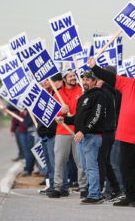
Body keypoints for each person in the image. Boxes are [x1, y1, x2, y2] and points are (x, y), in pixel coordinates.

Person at [88, 58, 135, 207]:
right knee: (127, 169)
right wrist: (94, 67)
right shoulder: (128, 83)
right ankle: (130, 196)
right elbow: (109, 77)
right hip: (126, 136)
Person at [61, 70, 106, 204]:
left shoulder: (99, 95)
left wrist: (84, 131)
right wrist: (63, 120)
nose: (85, 82)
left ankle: (94, 195)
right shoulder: (83, 97)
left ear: (94, 81)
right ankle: (95, 193)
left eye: (88, 79)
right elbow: (78, 119)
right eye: (84, 79)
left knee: (91, 167)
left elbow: (96, 116)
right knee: (86, 167)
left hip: (91, 136)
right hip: (82, 137)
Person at [47, 69, 87, 198]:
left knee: (80, 161)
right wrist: (61, 111)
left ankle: (83, 187)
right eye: (69, 76)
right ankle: (58, 187)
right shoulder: (57, 94)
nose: (72, 78)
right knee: (59, 161)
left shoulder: (82, 92)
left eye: (73, 76)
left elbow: (85, 111)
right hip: (62, 131)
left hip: (77, 131)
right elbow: (53, 115)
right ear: (64, 79)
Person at [95, 68, 122, 199]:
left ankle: (100, 189)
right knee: (106, 162)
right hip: (110, 129)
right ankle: (115, 188)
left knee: (105, 161)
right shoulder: (110, 90)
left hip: (109, 129)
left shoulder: (111, 91)